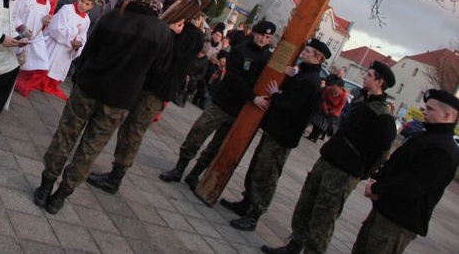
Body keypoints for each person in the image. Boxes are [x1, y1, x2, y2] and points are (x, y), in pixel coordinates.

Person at [34, 0, 173, 214]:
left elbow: (89, 50)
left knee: (65, 135)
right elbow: (158, 72)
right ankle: (60, 196)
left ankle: (46, 186)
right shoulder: (161, 32)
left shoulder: (114, 15)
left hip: (89, 87)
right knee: (91, 148)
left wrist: (81, 76)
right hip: (119, 100)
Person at [262, 61, 398, 254]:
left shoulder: (383, 116)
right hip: (327, 160)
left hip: (344, 173)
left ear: (379, 81)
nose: (364, 77)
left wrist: (361, 172)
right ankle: (294, 246)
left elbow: (382, 153)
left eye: (368, 75)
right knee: (305, 205)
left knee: (323, 218)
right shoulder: (360, 102)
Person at [87, 13, 204, 194]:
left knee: (133, 132)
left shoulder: (193, 35)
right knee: (127, 128)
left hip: (155, 91)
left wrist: (170, 32)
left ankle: (116, 177)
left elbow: (171, 56)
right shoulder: (181, 27)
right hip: (146, 85)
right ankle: (114, 172)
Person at [221, 38, 330, 232]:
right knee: (258, 167)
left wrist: (277, 95)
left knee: (267, 175)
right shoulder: (304, 75)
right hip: (275, 130)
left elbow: (292, 108)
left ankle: (255, 214)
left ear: (318, 58)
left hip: (283, 136)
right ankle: (247, 202)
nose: (303, 53)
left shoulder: (310, 82)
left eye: (308, 51)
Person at [159, 20, 276, 188]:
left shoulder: (268, 58)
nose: (263, 39)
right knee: (197, 133)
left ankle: (194, 175)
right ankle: (179, 169)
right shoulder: (240, 50)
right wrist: (253, 97)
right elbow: (233, 78)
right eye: (261, 35)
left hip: (240, 111)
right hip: (223, 103)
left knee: (217, 146)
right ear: (254, 33)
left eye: (267, 37)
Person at [351, 89, 459, 254]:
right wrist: (378, 179)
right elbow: (397, 164)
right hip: (386, 212)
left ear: (447, 116)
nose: (424, 111)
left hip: (398, 221)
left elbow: (415, 183)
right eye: (425, 107)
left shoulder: (443, 150)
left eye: (430, 109)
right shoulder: (426, 137)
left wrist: (379, 188)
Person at [39, 0, 96, 99]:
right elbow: (55, 29)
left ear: (91, 7)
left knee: (58, 70)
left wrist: (77, 46)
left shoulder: (87, 20)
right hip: (55, 45)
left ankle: (52, 84)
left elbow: (82, 38)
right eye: (82, 1)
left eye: (87, 4)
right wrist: (74, 30)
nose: (83, 5)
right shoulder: (67, 9)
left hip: (67, 51)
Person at [13, 0, 62, 97]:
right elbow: (14, 14)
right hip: (18, 35)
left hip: (34, 39)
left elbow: (41, 22)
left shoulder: (47, 4)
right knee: (11, 62)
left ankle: (21, 84)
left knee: (42, 65)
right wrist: (21, 28)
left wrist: (45, 21)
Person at [307, 77, 347, 142]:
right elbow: (324, 98)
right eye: (333, 94)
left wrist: (331, 112)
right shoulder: (328, 89)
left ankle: (316, 137)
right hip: (325, 107)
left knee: (324, 125)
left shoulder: (344, 96)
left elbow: (340, 107)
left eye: (335, 94)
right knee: (317, 122)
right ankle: (311, 135)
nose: (333, 96)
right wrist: (325, 108)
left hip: (333, 112)